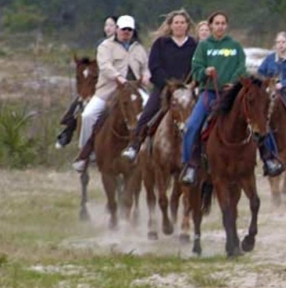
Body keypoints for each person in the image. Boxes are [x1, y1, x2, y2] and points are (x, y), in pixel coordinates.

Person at [181, 11, 284, 185]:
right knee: (192, 126)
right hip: (210, 93)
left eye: (223, 23)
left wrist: (234, 82)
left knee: (259, 119)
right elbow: (196, 69)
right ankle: (190, 165)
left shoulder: (234, 46)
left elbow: (241, 68)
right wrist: (205, 72)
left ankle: (270, 158)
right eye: (217, 23)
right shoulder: (203, 47)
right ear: (211, 25)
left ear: (226, 26)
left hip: (233, 93)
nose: (220, 26)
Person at [72, 15, 151, 172]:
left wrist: (147, 74)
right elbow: (105, 66)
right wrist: (117, 76)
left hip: (134, 89)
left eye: (129, 29)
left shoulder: (138, 48)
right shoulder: (105, 46)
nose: (126, 32)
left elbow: (145, 66)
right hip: (109, 89)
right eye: (123, 29)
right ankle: (87, 152)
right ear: (117, 29)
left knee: (151, 112)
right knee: (88, 115)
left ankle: (147, 150)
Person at [121, 10, 198, 161]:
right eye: (176, 22)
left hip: (187, 90)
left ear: (187, 25)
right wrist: (167, 85)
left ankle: (201, 155)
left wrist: (190, 84)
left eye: (183, 22)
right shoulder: (161, 43)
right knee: (147, 115)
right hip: (164, 88)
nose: (179, 25)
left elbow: (198, 66)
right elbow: (154, 66)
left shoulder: (194, 44)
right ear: (170, 25)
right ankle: (135, 145)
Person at [56, 15, 118, 149]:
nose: (108, 28)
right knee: (80, 100)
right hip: (101, 81)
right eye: (106, 25)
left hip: (119, 81)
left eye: (111, 25)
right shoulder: (102, 44)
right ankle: (68, 130)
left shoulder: (126, 43)